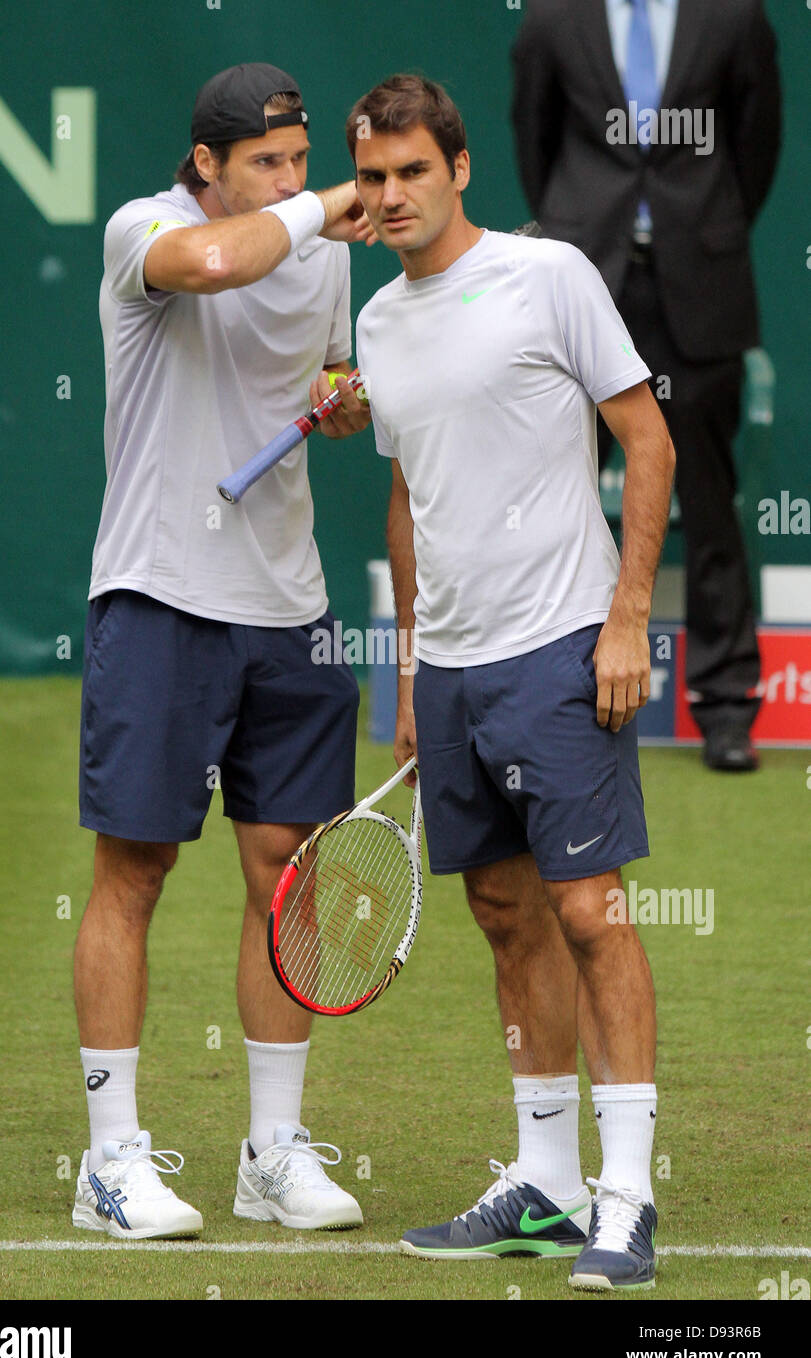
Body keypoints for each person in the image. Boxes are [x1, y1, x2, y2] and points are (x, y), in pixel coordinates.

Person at [350, 74, 675, 1290]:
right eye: (373, 178)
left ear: (461, 168)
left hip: (561, 644)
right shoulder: (378, 325)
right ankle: (543, 1182)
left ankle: (625, 1196)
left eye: (411, 172)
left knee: (592, 912)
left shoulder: (551, 277)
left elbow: (648, 438)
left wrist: (628, 617)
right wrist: (409, 669)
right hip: (454, 668)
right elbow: (407, 500)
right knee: (505, 913)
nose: (390, 196)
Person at [73, 62, 373, 1239]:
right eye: (268, 164)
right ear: (207, 164)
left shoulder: (320, 248)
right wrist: (315, 211)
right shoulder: (145, 229)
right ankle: (108, 1165)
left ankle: (273, 1154)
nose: (294, 185)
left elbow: (331, 376)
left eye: (302, 162)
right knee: (132, 874)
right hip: (158, 589)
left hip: (286, 606)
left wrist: (340, 397)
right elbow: (216, 263)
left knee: (285, 879)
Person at [512, 0, 782, 771]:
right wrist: (578, 232)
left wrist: (698, 227)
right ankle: (541, 693)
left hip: (701, 282)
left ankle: (726, 710)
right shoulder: (550, 17)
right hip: (578, 275)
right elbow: (535, 141)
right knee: (544, 492)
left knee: (708, 499)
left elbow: (753, 144)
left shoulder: (733, 15)